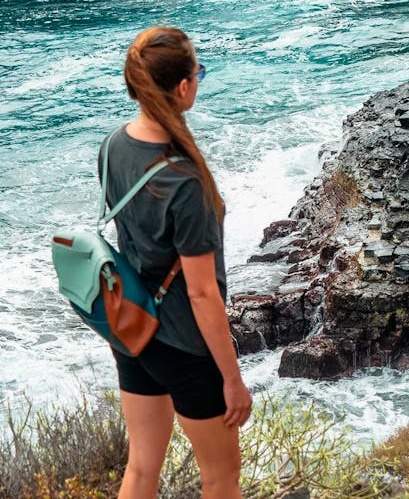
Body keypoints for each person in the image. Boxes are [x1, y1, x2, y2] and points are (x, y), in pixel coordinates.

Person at [98, 26, 252, 499]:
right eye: (198, 72)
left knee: (142, 469)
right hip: (185, 346)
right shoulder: (185, 183)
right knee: (221, 478)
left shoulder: (113, 146)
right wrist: (232, 379)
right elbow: (203, 294)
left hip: (132, 327)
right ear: (183, 87)